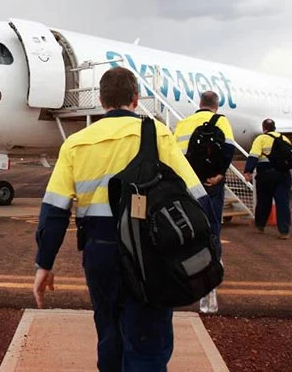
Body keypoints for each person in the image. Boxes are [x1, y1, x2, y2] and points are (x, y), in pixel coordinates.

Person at [33, 67, 219, 372]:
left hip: (100, 253)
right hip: (150, 254)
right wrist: (212, 250)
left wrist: (45, 263)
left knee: (109, 336)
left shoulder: (76, 144)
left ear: (102, 101)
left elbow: (54, 211)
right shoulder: (157, 133)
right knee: (148, 342)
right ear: (135, 98)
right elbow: (196, 196)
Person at [173, 90, 235, 312]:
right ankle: (210, 289)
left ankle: (187, 277)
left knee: (188, 229)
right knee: (212, 228)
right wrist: (219, 174)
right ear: (216, 106)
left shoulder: (183, 123)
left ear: (199, 104)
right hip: (212, 184)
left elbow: (175, 155)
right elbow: (228, 149)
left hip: (189, 184)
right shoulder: (221, 121)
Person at [242, 118, 292, 239]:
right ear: (274, 127)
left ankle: (260, 225)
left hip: (265, 174)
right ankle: (284, 231)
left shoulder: (261, 139)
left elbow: (253, 156)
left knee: (263, 201)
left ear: (263, 128)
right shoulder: (285, 138)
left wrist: (248, 171)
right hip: (283, 174)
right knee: (283, 202)